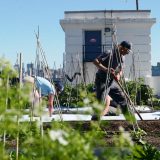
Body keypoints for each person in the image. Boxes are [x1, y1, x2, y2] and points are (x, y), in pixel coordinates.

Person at [92, 41, 132, 120]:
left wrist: (118, 76)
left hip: (112, 81)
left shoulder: (122, 57)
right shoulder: (109, 53)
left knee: (123, 100)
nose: (127, 53)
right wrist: (106, 69)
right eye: (127, 51)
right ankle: (94, 125)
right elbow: (95, 61)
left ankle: (132, 122)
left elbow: (120, 70)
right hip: (102, 81)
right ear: (122, 48)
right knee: (101, 103)